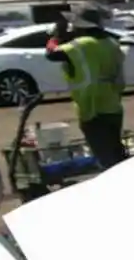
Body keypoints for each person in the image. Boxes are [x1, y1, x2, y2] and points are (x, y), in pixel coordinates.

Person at [44, 14, 128, 168]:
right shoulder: (111, 43)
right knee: (116, 151)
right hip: (113, 106)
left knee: (106, 159)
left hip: (91, 109)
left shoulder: (82, 45)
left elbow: (51, 53)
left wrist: (56, 37)